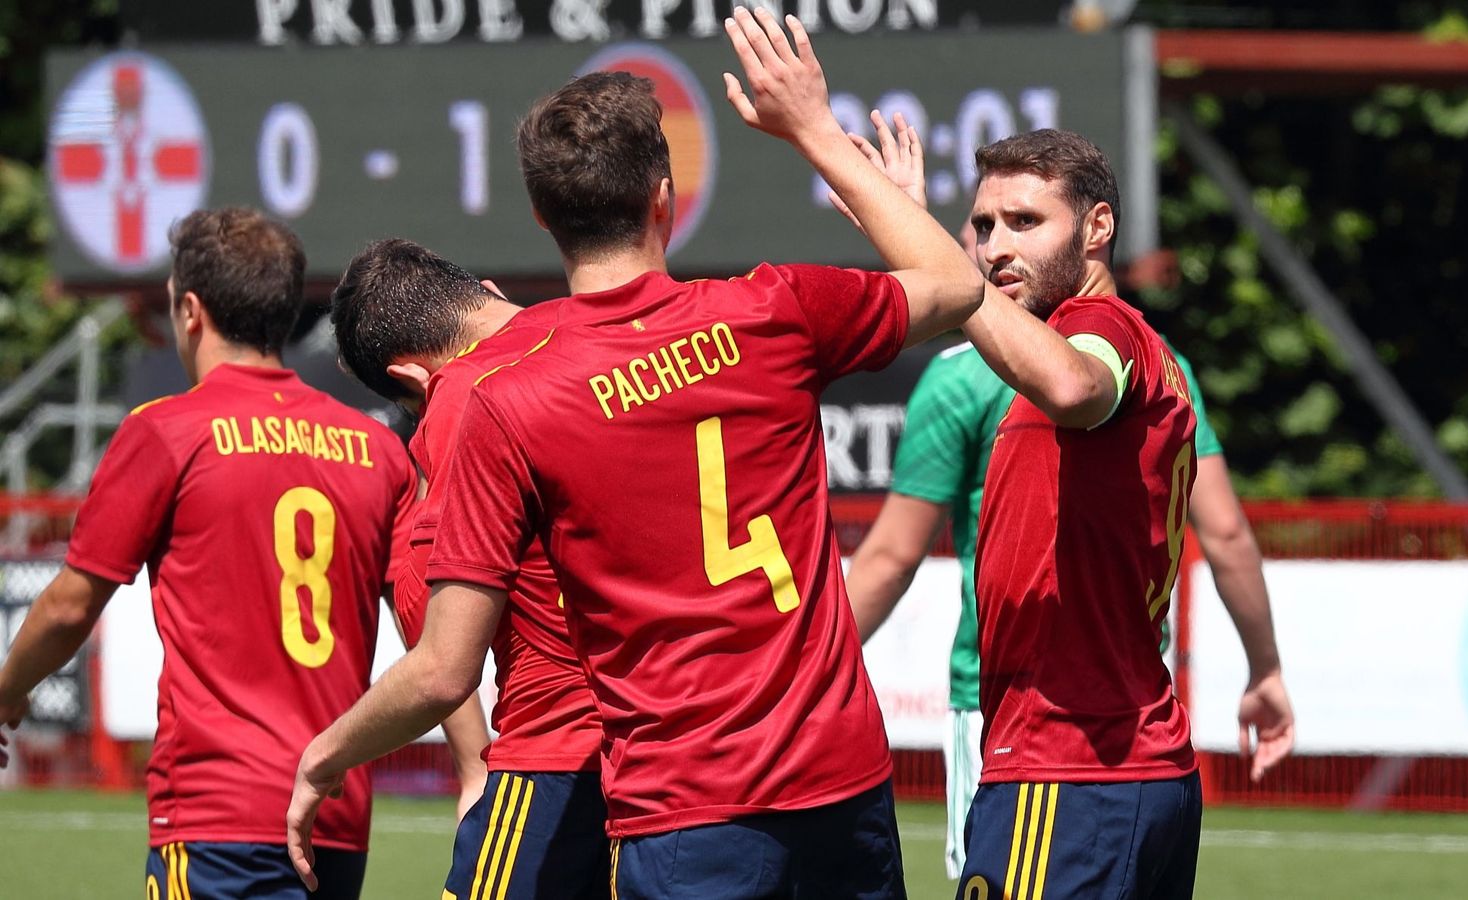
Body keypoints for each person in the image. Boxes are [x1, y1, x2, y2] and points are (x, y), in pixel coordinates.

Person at [287, 10, 984, 897]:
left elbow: (444, 667)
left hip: (682, 805)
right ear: (666, 197)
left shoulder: (506, 398)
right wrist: (815, 130)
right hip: (840, 785)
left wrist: (322, 757)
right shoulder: (770, 311)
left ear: (541, 218)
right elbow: (957, 281)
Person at [840, 123, 1293, 881]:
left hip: (1065, 759)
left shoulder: (1096, 331)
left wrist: (820, 139)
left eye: (1025, 221)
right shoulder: (1163, 359)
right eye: (984, 226)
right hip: (1125, 756)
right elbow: (1225, 533)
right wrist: (1266, 667)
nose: (996, 247)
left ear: (1097, 226)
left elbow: (1072, 385)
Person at [0, 207, 416, 900]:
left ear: (190, 311)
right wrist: (474, 766)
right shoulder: (377, 450)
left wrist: (7, 692)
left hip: (218, 811)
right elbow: (432, 640)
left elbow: (72, 606)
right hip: (336, 814)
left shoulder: (167, 430)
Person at [328, 238, 609, 898]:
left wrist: (323, 758)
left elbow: (439, 653)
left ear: (410, 377)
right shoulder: (612, 332)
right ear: (491, 290)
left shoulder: (463, 394)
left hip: (561, 754)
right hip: (692, 752)